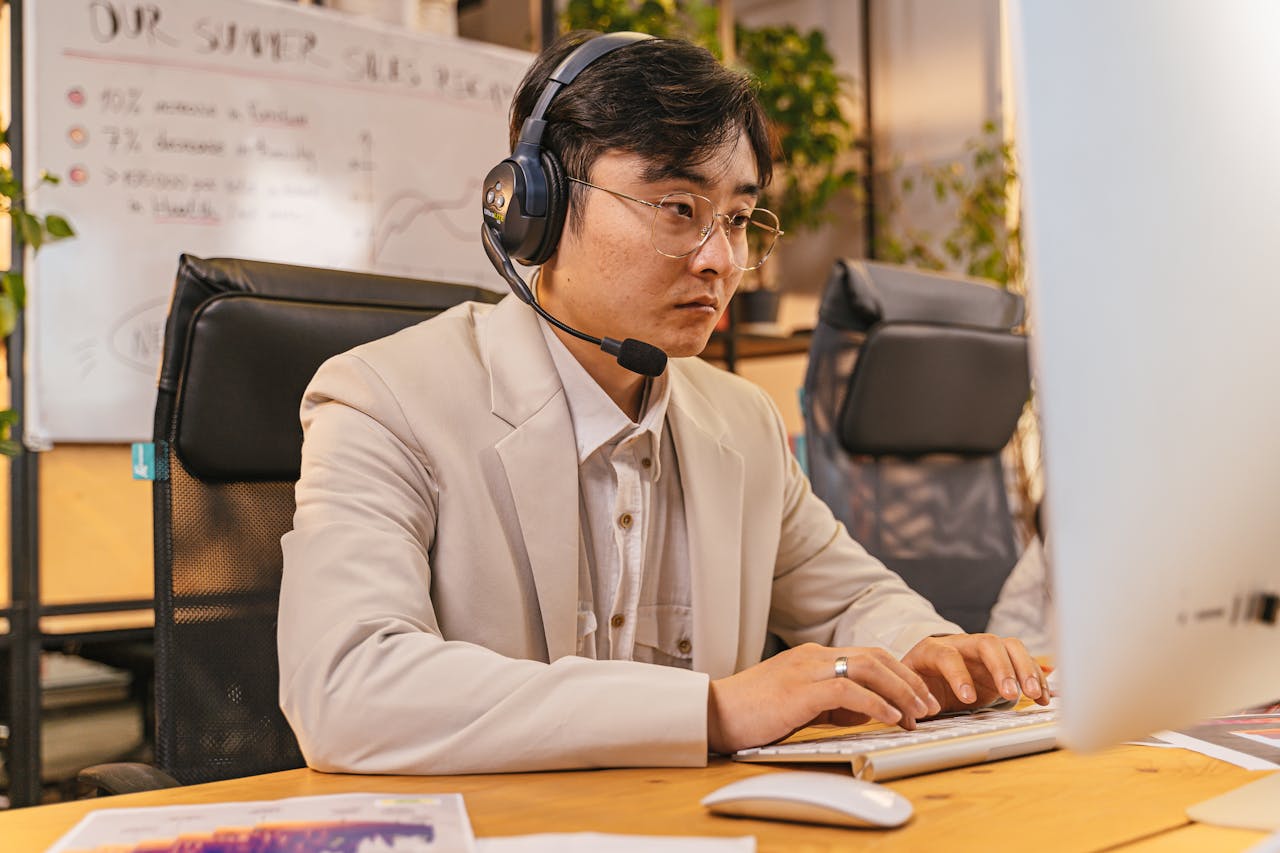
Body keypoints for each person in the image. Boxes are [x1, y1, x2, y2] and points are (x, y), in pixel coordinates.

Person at [277, 31, 1049, 776]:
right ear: (534, 208)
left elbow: (853, 597)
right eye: (679, 208)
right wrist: (708, 711)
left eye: (740, 220)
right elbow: (347, 686)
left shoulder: (738, 422)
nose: (721, 260)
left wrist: (928, 648)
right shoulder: (382, 400)